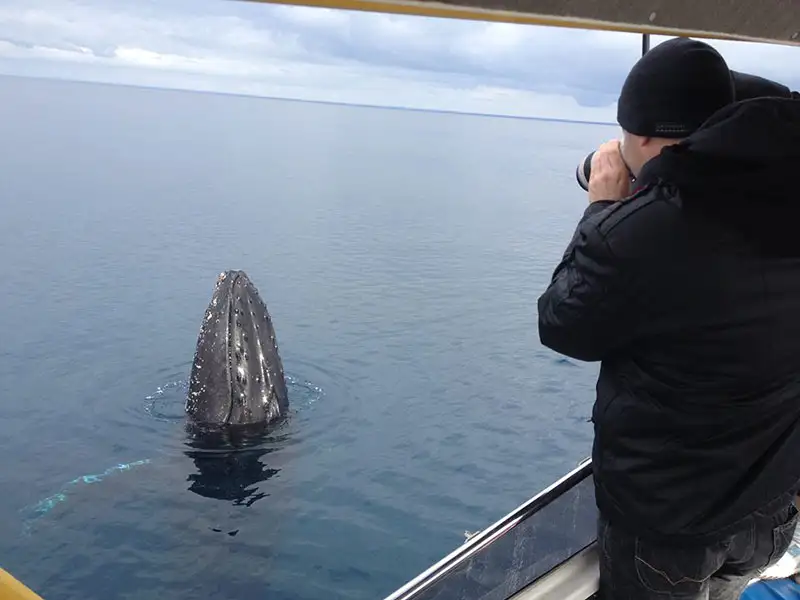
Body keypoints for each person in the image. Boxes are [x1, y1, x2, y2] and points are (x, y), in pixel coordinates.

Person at [536, 36, 800, 600]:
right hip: (769, 508)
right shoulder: (788, 187)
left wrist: (602, 210)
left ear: (648, 136)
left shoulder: (641, 233)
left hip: (671, 527)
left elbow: (562, 322)